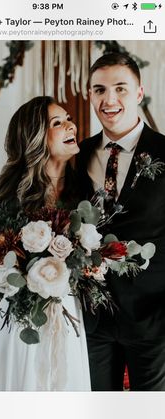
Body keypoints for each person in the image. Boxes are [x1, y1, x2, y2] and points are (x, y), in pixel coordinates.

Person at [0, 96, 91, 391]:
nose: (70, 125)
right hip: (24, 312)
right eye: (57, 123)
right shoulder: (15, 198)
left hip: (69, 308)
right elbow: (1, 262)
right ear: (36, 138)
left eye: (68, 119)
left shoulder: (85, 189)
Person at [77, 52, 165, 391]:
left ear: (139, 93)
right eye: (99, 90)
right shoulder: (78, 154)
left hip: (152, 318)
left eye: (120, 89)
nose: (109, 99)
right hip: (93, 318)